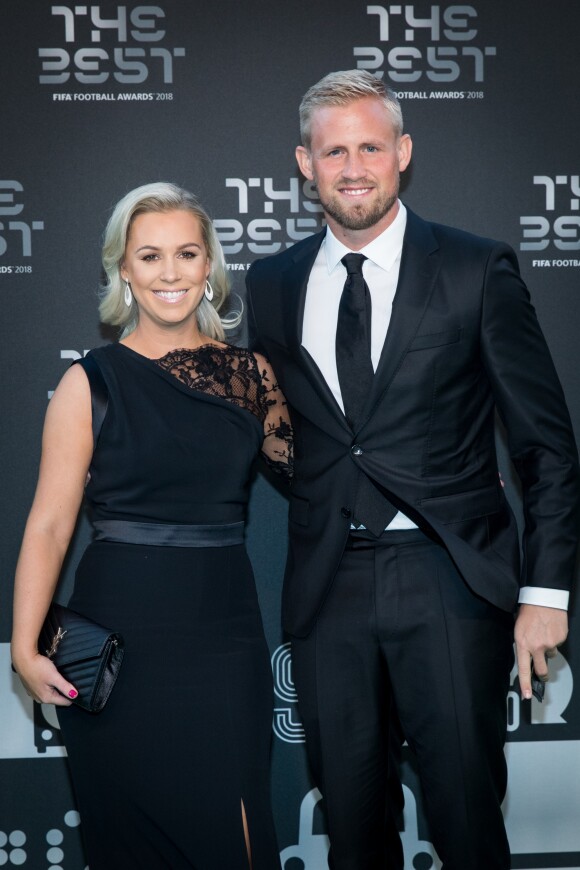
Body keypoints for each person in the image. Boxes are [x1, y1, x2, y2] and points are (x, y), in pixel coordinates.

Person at [246, 70, 580, 869]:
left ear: (403, 153)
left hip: (450, 580)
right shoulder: (272, 284)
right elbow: (290, 438)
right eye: (333, 151)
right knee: (353, 829)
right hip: (330, 587)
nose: (352, 166)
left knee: (466, 817)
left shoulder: (474, 268)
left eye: (369, 146)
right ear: (304, 163)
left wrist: (544, 594)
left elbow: (546, 448)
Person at [11, 182, 292, 870]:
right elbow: (49, 525)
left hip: (223, 635)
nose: (170, 272)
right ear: (125, 272)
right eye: (150, 256)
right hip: (118, 644)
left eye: (187, 254)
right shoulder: (92, 382)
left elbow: (320, 477)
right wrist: (23, 648)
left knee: (238, 825)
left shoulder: (251, 377)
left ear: (210, 268)